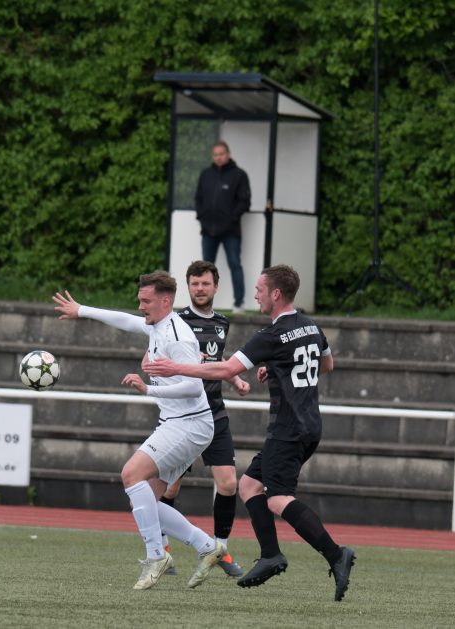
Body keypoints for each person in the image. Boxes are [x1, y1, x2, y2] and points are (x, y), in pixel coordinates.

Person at [145, 264, 356, 602]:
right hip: (309, 425)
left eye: (259, 290)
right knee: (248, 485)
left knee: (278, 498)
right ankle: (271, 554)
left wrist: (176, 367)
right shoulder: (311, 326)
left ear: (276, 294)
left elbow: (227, 368)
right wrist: (279, 367)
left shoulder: (271, 335)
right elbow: (327, 365)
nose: (255, 295)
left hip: (288, 428)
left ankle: (336, 554)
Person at [53, 271, 226, 591]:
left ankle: (156, 556)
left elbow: (193, 387)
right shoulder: (158, 324)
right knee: (145, 500)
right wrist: (82, 311)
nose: (140, 306)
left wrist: (148, 390)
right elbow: (127, 321)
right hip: (180, 422)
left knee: (131, 475)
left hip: (189, 423)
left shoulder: (178, 336)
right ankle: (207, 546)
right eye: (140, 300)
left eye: (146, 301)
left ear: (165, 301)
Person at [154, 260, 251, 578]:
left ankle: (219, 551)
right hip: (184, 416)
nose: (199, 289)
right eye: (194, 284)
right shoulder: (176, 322)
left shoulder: (222, 322)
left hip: (215, 413)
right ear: (188, 287)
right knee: (169, 489)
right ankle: (162, 551)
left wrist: (234, 379)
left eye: (205, 283)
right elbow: (158, 360)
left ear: (215, 287)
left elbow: (216, 359)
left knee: (229, 484)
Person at [195, 140, 250, 313]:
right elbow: (198, 198)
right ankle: (203, 304)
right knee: (205, 269)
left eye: (221, 154)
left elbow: (244, 202)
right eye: (215, 155)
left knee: (235, 264)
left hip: (230, 231)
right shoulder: (206, 174)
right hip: (208, 230)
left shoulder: (239, 175)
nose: (218, 157)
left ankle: (239, 303)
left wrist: (231, 219)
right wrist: (202, 217)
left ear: (228, 154)